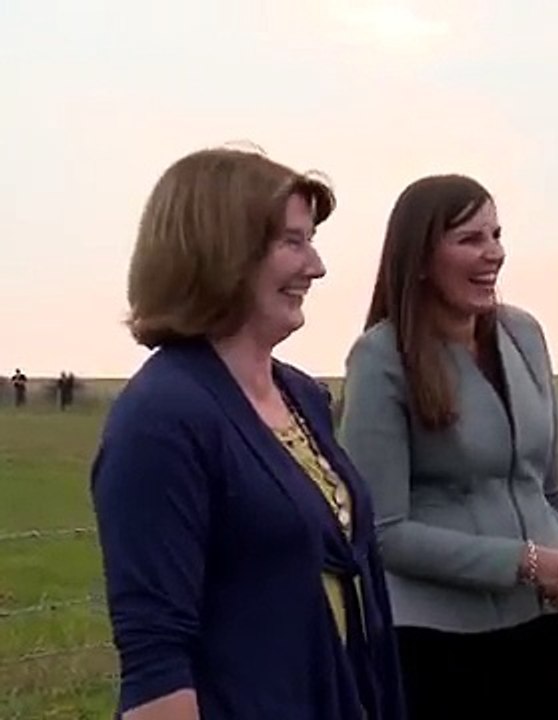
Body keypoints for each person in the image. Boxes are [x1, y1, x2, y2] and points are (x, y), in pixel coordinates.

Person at [90, 147, 405, 720]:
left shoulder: (302, 395)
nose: (317, 266)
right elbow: (157, 664)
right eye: (293, 242)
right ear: (223, 252)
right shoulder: (160, 420)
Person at [337, 174, 558, 720]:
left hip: (544, 632)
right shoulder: (380, 359)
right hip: (438, 646)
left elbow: (551, 486)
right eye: (470, 239)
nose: (495, 254)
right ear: (419, 258)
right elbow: (382, 532)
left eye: (497, 235)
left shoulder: (524, 335)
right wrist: (526, 563)